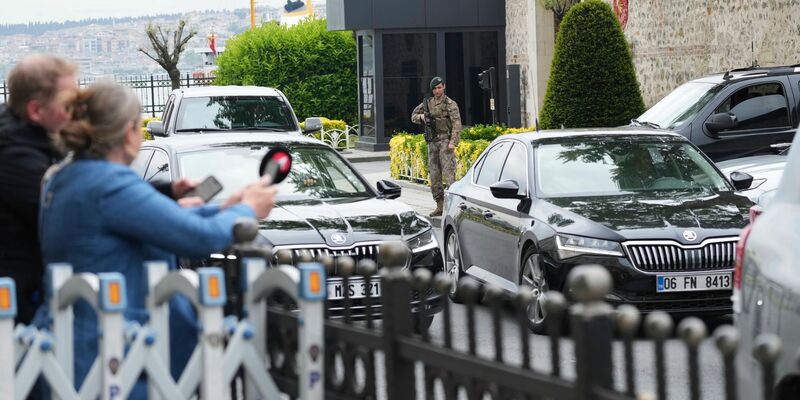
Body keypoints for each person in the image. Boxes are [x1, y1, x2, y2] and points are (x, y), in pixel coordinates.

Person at [36, 81, 278, 392]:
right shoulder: (109, 183)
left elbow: (159, 223)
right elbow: (197, 238)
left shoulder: (67, 177)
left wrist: (226, 210)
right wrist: (246, 210)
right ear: (128, 131)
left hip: (76, 344)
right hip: (120, 354)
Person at [0, 55, 79, 324]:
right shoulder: (16, 157)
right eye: (69, 104)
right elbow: (64, 215)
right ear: (35, 111)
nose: (76, 111)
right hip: (16, 304)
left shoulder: (27, 142)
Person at [411, 76, 462, 217]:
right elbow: (413, 116)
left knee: (449, 174)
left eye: (439, 87)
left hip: (445, 141)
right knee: (434, 176)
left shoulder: (450, 103)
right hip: (432, 142)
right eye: (434, 88)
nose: (437, 90)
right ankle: (439, 206)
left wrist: (453, 142)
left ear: (444, 87)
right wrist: (422, 117)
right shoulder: (428, 103)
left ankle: (453, 207)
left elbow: (457, 124)